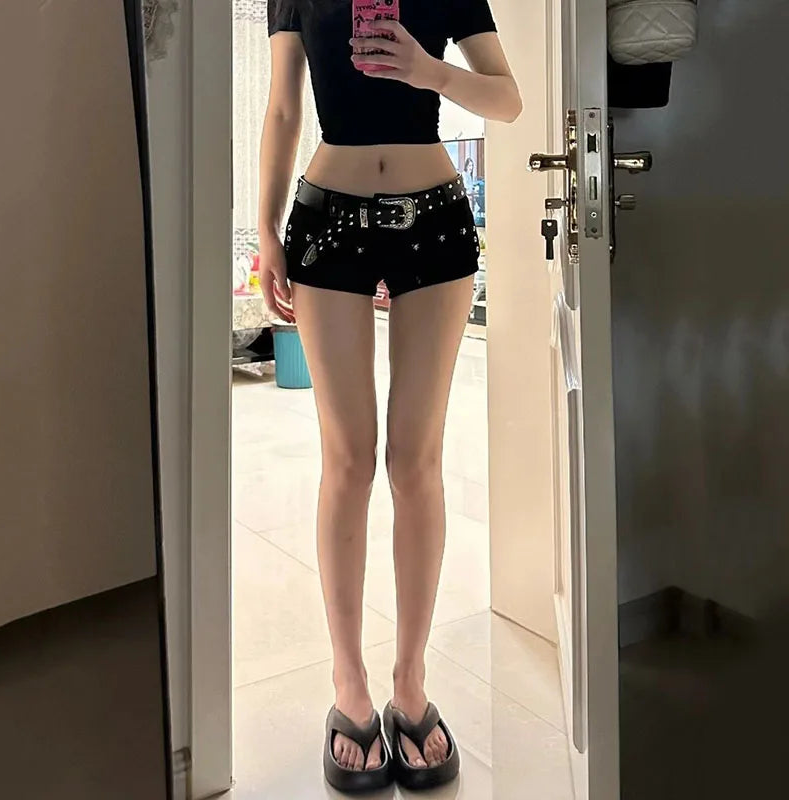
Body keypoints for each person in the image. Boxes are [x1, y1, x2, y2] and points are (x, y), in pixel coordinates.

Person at [259, 0, 521, 792]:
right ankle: (350, 687)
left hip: (435, 221)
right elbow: (282, 106)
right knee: (349, 462)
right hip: (326, 219)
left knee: (416, 461)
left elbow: (507, 99)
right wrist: (266, 229)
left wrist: (427, 70)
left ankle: (410, 685)